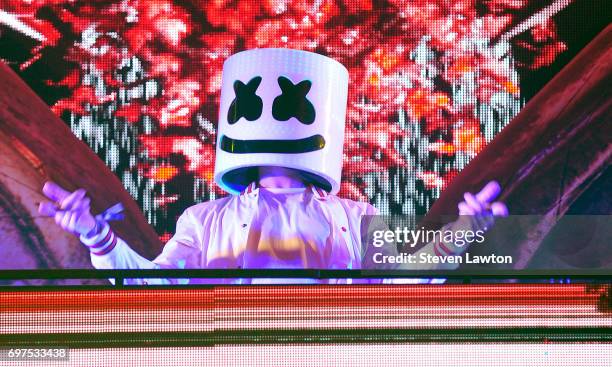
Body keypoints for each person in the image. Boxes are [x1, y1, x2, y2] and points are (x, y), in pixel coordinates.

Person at [39, 48, 508, 285]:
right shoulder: (203, 220)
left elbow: (406, 281)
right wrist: (93, 234)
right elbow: (149, 285)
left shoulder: (354, 217)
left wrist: (465, 232)